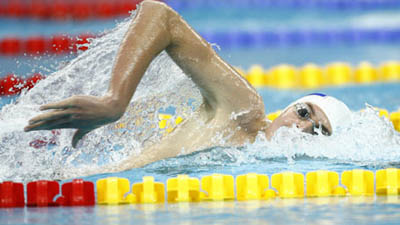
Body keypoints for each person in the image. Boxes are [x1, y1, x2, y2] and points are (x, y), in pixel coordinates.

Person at [24, 0, 351, 175]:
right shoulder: (244, 112)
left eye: (319, 131)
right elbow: (160, 15)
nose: (302, 127)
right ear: (289, 107)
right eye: (304, 113)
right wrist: (114, 101)